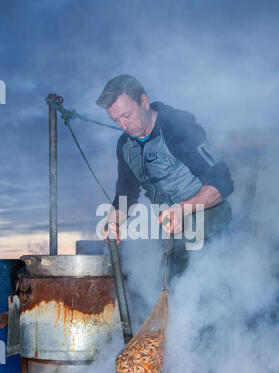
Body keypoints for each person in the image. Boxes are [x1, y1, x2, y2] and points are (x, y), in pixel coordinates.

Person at [96, 74, 233, 280]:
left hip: (210, 228)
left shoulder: (177, 128)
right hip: (172, 235)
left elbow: (222, 181)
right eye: (116, 120)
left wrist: (182, 209)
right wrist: (113, 223)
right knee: (167, 293)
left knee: (199, 296)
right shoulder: (125, 146)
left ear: (144, 101)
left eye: (127, 115)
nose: (124, 126)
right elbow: (126, 194)